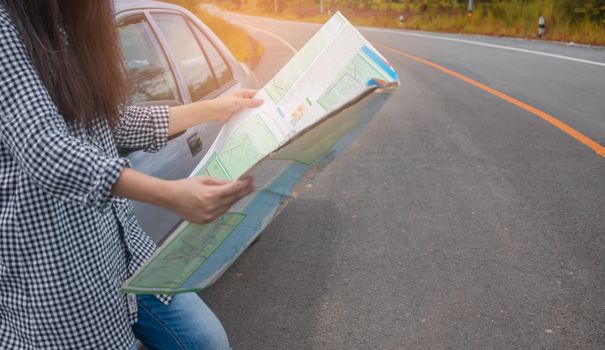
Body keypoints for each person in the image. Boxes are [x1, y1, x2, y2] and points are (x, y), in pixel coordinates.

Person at [0, 1, 260, 349]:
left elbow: (110, 121)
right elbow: (47, 149)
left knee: (206, 340)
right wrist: (169, 194)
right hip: (59, 275)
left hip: (122, 247)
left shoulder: (67, 23)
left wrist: (214, 108)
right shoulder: (6, 29)